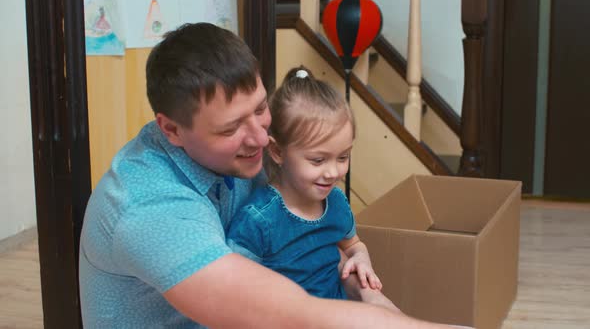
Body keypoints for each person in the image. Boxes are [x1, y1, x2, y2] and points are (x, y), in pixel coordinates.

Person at [78, 22, 465, 328]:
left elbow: (310, 243)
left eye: (261, 108)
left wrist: (369, 295)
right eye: (231, 129)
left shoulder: (251, 153)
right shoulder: (145, 204)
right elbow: (287, 314)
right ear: (172, 130)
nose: (262, 137)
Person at [227, 67, 382, 300]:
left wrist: (361, 257)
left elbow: (353, 244)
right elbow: (234, 289)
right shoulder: (258, 220)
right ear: (278, 151)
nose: (332, 172)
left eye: (343, 157)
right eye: (318, 160)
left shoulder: (337, 202)